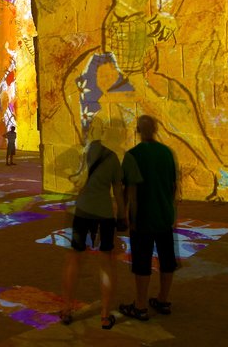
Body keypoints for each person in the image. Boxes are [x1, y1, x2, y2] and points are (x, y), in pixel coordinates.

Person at [61, 122, 127, 330]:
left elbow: (72, 181)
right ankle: (105, 315)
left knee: (75, 259)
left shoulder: (81, 155)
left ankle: (67, 309)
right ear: (104, 134)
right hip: (105, 214)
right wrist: (122, 216)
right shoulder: (112, 157)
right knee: (106, 262)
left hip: (82, 211)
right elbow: (117, 191)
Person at [119, 115, 179, 321]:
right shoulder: (167, 153)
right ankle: (163, 300)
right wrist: (171, 211)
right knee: (167, 260)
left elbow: (130, 191)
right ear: (155, 129)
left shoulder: (132, 155)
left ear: (137, 130)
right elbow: (173, 186)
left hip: (142, 218)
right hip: (164, 216)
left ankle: (141, 305)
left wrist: (127, 216)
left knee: (142, 263)